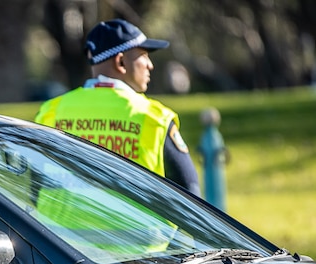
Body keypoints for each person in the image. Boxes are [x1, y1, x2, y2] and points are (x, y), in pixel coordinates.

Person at [35, 19, 200, 195]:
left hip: (52, 224)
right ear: (121, 62)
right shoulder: (154, 118)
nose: (150, 65)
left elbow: (35, 183)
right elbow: (190, 191)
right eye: (144, 55)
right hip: (135, 224)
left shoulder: (50, 112)